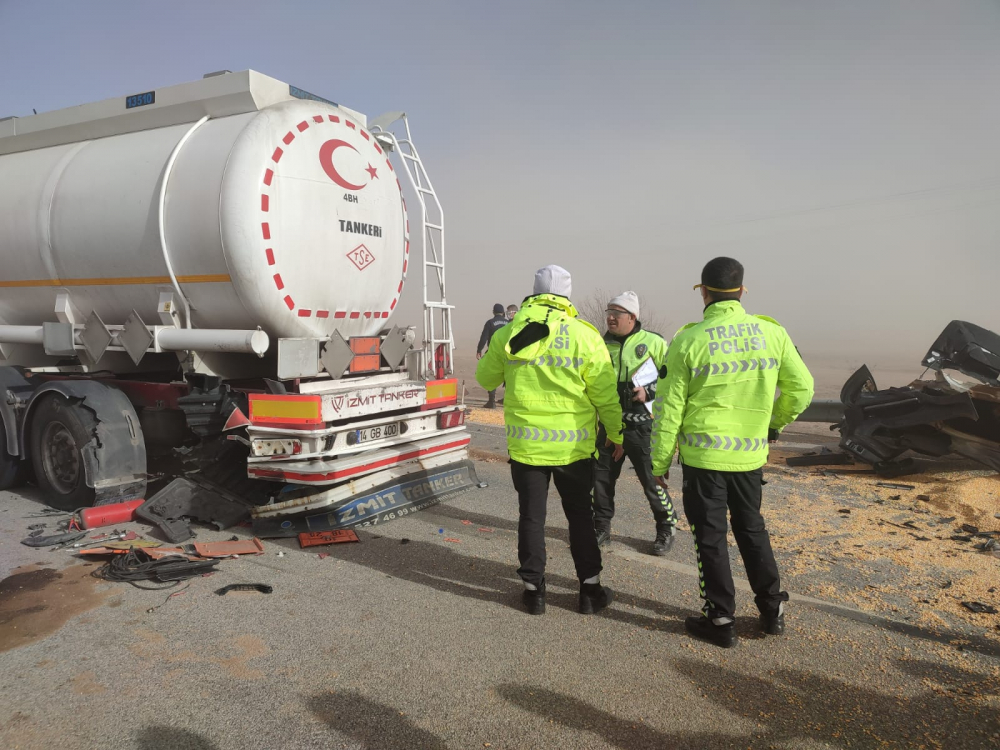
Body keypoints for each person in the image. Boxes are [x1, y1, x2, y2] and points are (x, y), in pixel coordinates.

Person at [651, 257, 813, 648]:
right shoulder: (771, 334)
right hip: (749, 459)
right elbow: (803, 389)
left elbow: (668, 409)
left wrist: (658, 463)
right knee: (752, 530)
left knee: (711, 538)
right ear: (742, 292)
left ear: (703, 292)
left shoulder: (688, 340)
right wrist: (773, 423)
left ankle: (721, 619)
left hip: (704, 462)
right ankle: (772, 611)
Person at [476, 265, 624, 616]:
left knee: (531, 518)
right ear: (566, 297)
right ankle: (590, 592)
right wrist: (617, 435)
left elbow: (485, 378)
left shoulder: (512, 331)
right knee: (580, 518)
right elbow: (605, 396)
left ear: (535, 291)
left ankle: (533, 593)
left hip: (527, 447)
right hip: (574, 449)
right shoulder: (585, 335)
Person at [593, 291, 679, 555]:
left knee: (652, 482)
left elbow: (672, 378)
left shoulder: (653, 342)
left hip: (643, 428)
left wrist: (649, 391)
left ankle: (666, 527)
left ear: (632, 317)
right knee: (601, 481)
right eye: (608, 312)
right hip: (610, 428)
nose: (610, 318)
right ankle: (601, 528)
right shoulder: (597, 343)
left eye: (616, 313)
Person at [476, 303, 510, 408]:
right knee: (508, 376)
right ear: (503, 312)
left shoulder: (490, 323)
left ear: (493, 312)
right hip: (508, 353)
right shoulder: (509, 323)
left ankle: (492, 401)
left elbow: (484, 338)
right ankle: (507, 399)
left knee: (491, 375)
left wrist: (479, 350)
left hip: (494, 352)